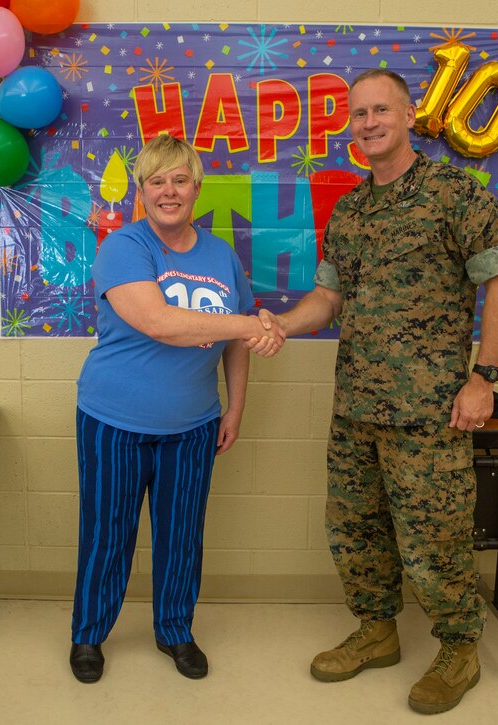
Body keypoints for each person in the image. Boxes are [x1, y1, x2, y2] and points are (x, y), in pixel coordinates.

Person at [252, 69, 498, 714]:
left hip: (430, 410)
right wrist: (280, 326)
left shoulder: (453, 193)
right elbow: (328, 297)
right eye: (358, 114)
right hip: (357, 409)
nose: (368, 123)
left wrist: (483, 377)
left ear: (407, 116)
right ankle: (376, 631)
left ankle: (459, 648)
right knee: (356, 530)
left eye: (381, 110)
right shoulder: (351, 207)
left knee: (435, 538)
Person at [70, 134, 283, 684]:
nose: (169, 191)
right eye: (156, 180)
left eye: (179, 179)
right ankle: (89, 635)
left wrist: (235, 407)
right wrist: (252, 322)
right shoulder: (124, 246)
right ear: (141, 191)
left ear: (196, 187)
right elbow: (159, 321)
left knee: (182, 533)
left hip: (192, 425)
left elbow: (236, 346)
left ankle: (175, 631)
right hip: (113, 419)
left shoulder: (220, 255)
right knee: (107, 532)